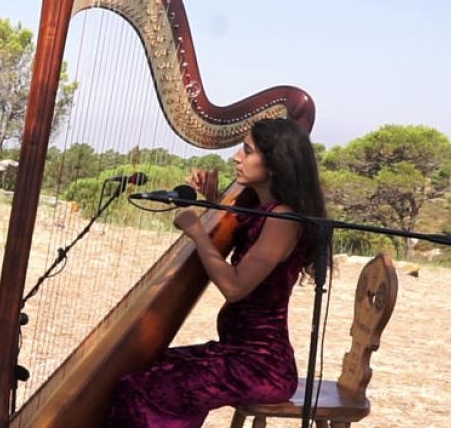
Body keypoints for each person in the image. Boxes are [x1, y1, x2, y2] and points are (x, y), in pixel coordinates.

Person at [107, 117, 327, 428]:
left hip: (260, 366)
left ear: (275, 162)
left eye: (248, 151)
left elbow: (235, 287)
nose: (237, 157)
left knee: (140, 389)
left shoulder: (283, 219)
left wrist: (198, 233)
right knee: (142, 366)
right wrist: (214, 204)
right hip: (234, 353)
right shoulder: (262, 210)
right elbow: (237, 233)